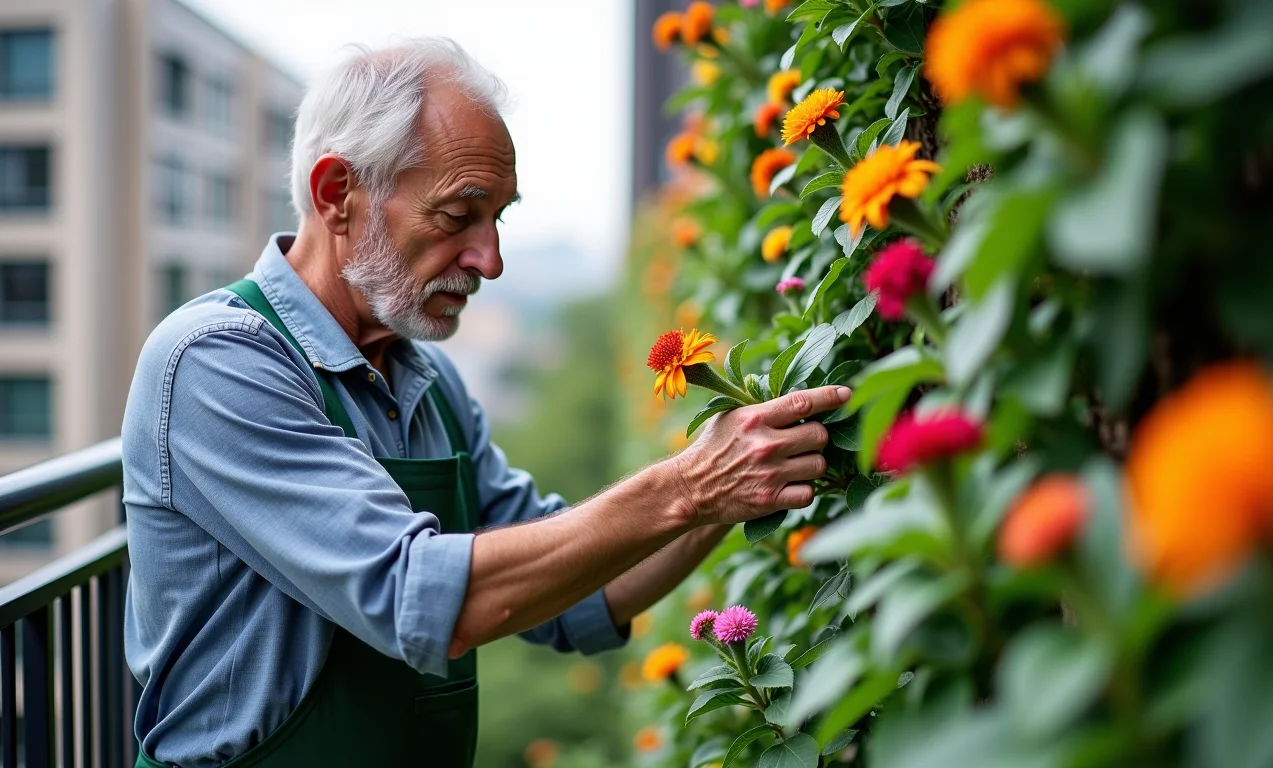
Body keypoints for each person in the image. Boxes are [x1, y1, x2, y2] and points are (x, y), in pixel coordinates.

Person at [120, 38, 848, 767]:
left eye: (498, 217)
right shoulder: (216, 361)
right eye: (457, 215)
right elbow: (422, 597)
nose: (489, 260)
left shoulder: (428, 382)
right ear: (337, 193)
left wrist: (743, 474)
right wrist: (690, 484)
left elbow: (586, 589)